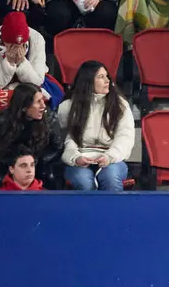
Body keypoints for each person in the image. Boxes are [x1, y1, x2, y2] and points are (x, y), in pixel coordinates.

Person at [56, 60, 134, 192]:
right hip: (80, 158)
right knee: (83, 181)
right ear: (88, 82)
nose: (107, 80)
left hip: (111, 158)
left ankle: (114, 213)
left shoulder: (121, 105)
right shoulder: (68, 107)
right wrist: (76, 158)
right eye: (101, 77)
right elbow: (67, 139)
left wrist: (109, 157)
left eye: (107, 76)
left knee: (110, 177)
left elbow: (125, 137)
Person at [0, 82, 64, 187]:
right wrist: (14, 164)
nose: (43, 106)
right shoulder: (1, 121)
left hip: (40, 163)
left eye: (43, 100)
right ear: (24, 107)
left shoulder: (49, 118)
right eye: (38, 102)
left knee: (50, 176)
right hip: (8, 164)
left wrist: (34, 162)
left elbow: (57, 147)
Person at [0, 11, 50, 99]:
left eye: (20, 45)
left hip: (28, 84)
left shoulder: (37, 39)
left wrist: (21, 62)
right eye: (11, 45)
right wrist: (8, 63)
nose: (16, 49)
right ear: (3, 39)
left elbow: (37, 82)